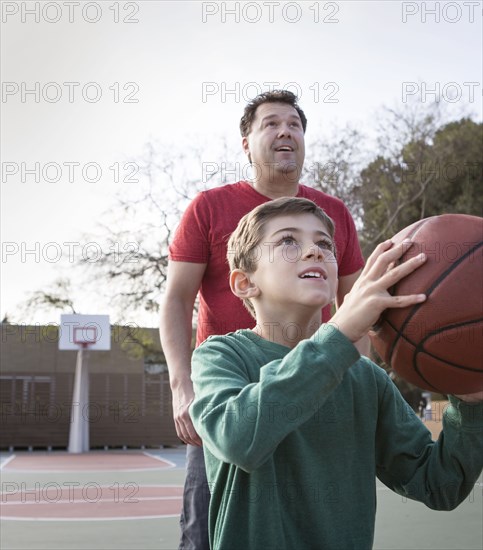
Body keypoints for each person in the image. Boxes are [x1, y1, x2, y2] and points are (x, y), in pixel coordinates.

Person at [189, 197, 483, 550]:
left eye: (324, 244)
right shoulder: (221, 356)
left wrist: (469, 397)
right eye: (288, 241)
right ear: (244, 283)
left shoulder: (365, 379)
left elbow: (440, 484)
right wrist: (341, 331)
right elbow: (239, 439)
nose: (314, 251)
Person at [159, 90, 366, 549]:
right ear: (246, 143)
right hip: (233, 393)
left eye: (294, 124)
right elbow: (176, 300)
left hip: (315, 384)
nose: (285, 130)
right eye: (270, 123)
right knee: (207, 534)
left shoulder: (334, 215)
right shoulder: (208, 208)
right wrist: (181, 386)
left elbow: (358, 306)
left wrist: (359, 383)